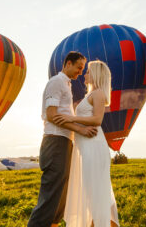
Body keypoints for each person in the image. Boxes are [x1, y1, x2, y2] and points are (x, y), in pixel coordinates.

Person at [28, 51, 98, 227]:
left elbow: (63, 115)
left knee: (62, 189)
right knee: (52, 191)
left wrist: (77, 131)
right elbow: (52, 115)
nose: (80, 72)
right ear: (68, 63)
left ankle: (53, 224)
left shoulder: (66, 84)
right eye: (78, 67)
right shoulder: (56, 82)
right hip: (55, 140)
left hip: (65, 140)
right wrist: (80, 129)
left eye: (83, 69)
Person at [52, 60, 120, 227]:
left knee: (94, 192)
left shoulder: (97, 94)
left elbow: (97, 120)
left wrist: (71, 118)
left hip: (93, 146)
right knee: (90, 191)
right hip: (86, 146)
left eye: (88, 71)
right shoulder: (91, 95)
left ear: (96, 74)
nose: (85, 74)